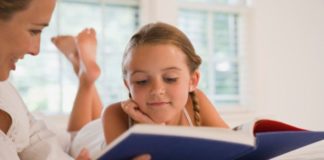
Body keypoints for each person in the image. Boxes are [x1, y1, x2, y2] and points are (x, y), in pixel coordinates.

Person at [51, 22, 228, 159]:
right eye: (142, 81)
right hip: (91, 140)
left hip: (107, 126)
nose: (157, 90)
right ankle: (84, 77)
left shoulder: (197, 100)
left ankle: (82, 68)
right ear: (128, 85)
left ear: (193, 80)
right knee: (73, 136)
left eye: (170, 79)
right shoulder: (113, 114)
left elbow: (234, 144)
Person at [0, 0, 150, 160]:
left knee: (83, 133)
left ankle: (85, 77)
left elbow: (39, 141)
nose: (36, 50)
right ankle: (85, 78)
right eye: (34, 31)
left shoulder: (7, 93)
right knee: (84, 133)